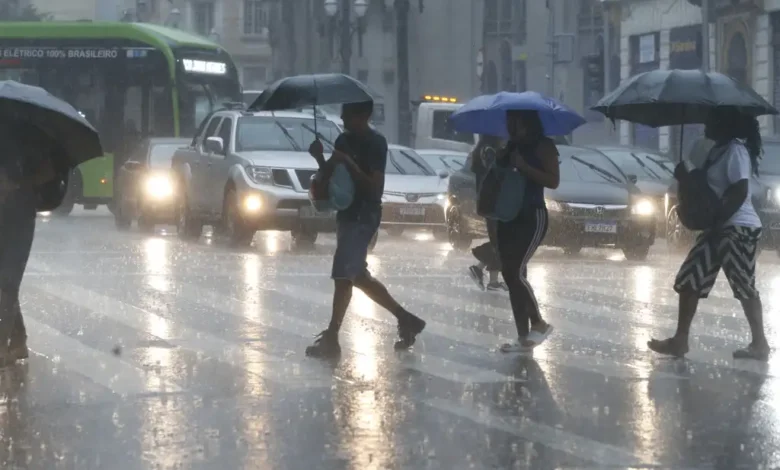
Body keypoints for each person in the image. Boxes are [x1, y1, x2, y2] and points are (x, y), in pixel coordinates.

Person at [305, 101, 426, 358]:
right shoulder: (342, 140)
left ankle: (332, 337)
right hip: (347, 213)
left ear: (363, 116)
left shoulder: (375, 143)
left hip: (364, 215)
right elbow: (331, 175)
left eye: (347, 114)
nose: (342, 118)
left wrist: (348, 161)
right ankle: (406, 319)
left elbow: (374, 187)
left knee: (343, 274)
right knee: (356, 275)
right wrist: (319, 158)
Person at [649, 109, 769, 361]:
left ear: (725, 124)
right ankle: (680, 340)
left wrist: (717, 221)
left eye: (712, 120)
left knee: (743, 283)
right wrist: (686, 176)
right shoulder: (717, 151)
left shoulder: (736, 150)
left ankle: (760, 344)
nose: (705, 125)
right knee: (690, 278)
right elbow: (706, 189)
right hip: (717, 227)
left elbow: (739, 190)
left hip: (738, 227)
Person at [496, 110, 557, 353]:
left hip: (532, 215)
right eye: (508, 121)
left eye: (515, 121)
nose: (511, 125)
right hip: (508, 215)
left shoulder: (544, 146)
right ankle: (523, 336)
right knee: (511, 275)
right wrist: (502, 159)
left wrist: (523, 166)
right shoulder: (511, 145)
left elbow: (553, 181)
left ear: (528, 122)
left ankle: (539, 323)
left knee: (515, 271)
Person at [0, 124, 59, 365]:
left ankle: (2, 346)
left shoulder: (25, 135)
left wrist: (15, 185)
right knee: (4, 281)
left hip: (19, 217)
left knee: (8, 280)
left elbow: (48, 171)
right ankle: (18, 339)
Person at [467, 134, 507, 291]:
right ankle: (478, 268)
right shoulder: (489, 151)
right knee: (500, 242)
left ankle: (492, 280)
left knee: (499, 242)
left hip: (489, 203)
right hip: (494, 203)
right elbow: (495, 175)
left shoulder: (482, 150)